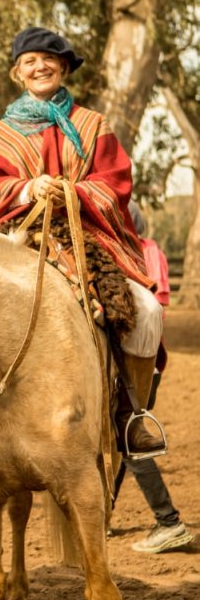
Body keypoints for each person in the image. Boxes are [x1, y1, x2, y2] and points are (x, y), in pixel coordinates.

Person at [0, 25, 165, 456]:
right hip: (22, 233)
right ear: (19, 73)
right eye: (30, 61)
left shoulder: (92, 125)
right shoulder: (2, 134)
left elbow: (116, 183)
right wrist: (27, 189)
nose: (40, 67)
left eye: (48, 60)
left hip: (89, 234)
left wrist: (74, 191)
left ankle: (132, 415)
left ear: (65, 68)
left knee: (146, 311)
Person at [123, 201, 193, 553]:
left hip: (133, 360)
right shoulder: (155, 252)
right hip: (151, 360)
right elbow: (160, 299)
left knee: (129, 441)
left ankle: (169, 521)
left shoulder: (131, 253)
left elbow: (149, 304)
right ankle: (102, 515)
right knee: (121, 438)